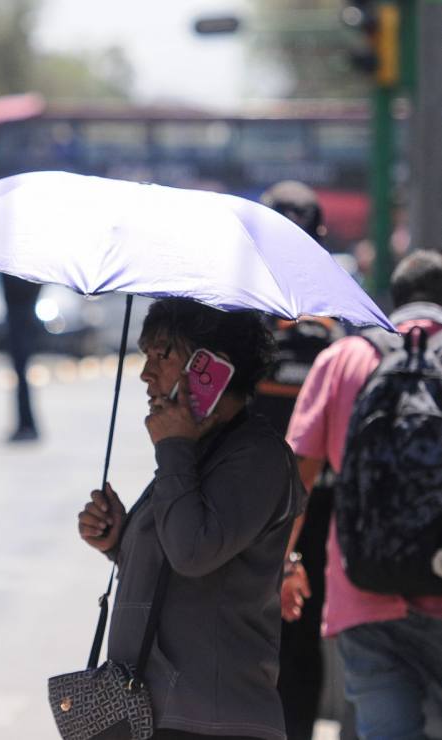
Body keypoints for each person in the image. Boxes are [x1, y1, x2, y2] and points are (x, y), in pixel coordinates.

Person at [78, 298, 302, 740]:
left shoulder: (257, 456)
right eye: (146, 355)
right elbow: (180, 562)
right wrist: (120, 543)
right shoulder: (198, 447)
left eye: (162, 355)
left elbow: (193, 553)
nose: (146, 373)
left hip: (213, 720)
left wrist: (174, 449)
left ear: (212, 365)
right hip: (158, 714)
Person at [284, 250, 442, 739]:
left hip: (363, 594)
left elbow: (296, 477)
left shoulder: (343, 359)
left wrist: (285, 559)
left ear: (392, 301)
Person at [252, 181, 344, 740]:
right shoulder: (339, 324)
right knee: (302, 635)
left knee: (235, 634)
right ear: (322, 240)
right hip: (316, 506)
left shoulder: (232, 321)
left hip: (240, 508)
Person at [1, 273, 41, 442]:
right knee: (21, 376)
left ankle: (26, 425)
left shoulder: (18, 272)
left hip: (20, 328)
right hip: (21, 326)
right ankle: (25, 423)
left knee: (21, 375)